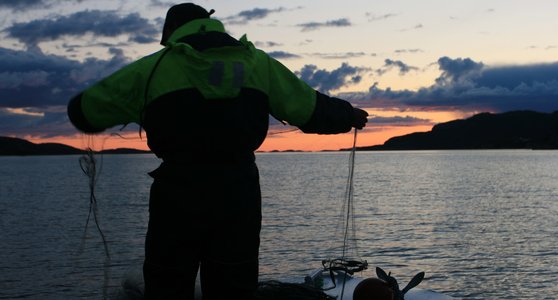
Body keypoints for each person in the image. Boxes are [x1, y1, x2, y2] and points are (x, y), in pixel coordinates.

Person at [68, 3, 368, 299]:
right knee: (234, 280)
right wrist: (349, 115)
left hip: (177, 192)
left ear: (171, 31)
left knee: (168, 280)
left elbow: (84, 112)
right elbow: (310, 108)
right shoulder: (257, 64)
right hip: (238, 191)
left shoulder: (153, 68)